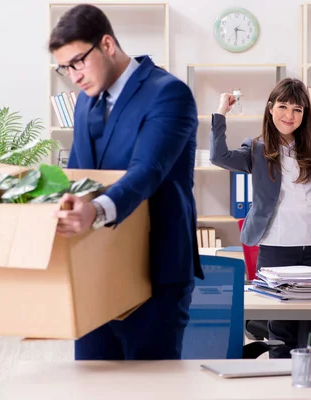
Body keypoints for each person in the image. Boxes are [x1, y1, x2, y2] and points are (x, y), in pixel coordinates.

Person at [48, 4, 203, 361]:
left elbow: (146, 171)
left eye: (78, 62)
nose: (73, 75)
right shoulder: (86, 102)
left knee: (149, 388)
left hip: (154, 272)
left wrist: (96, 211)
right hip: (95, 266)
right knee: (91, 382)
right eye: (64, 68)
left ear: (107, 44)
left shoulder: (169, 93)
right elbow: (78, 173)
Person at [209, 78, 311, 359]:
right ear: (270, 108)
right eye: (283, 106)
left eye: (297, 109)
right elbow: (220, 157)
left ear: (305, 114)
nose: (289, 115)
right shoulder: (256, 148)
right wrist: (221, 113)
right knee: (282, 331)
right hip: (276, 249)